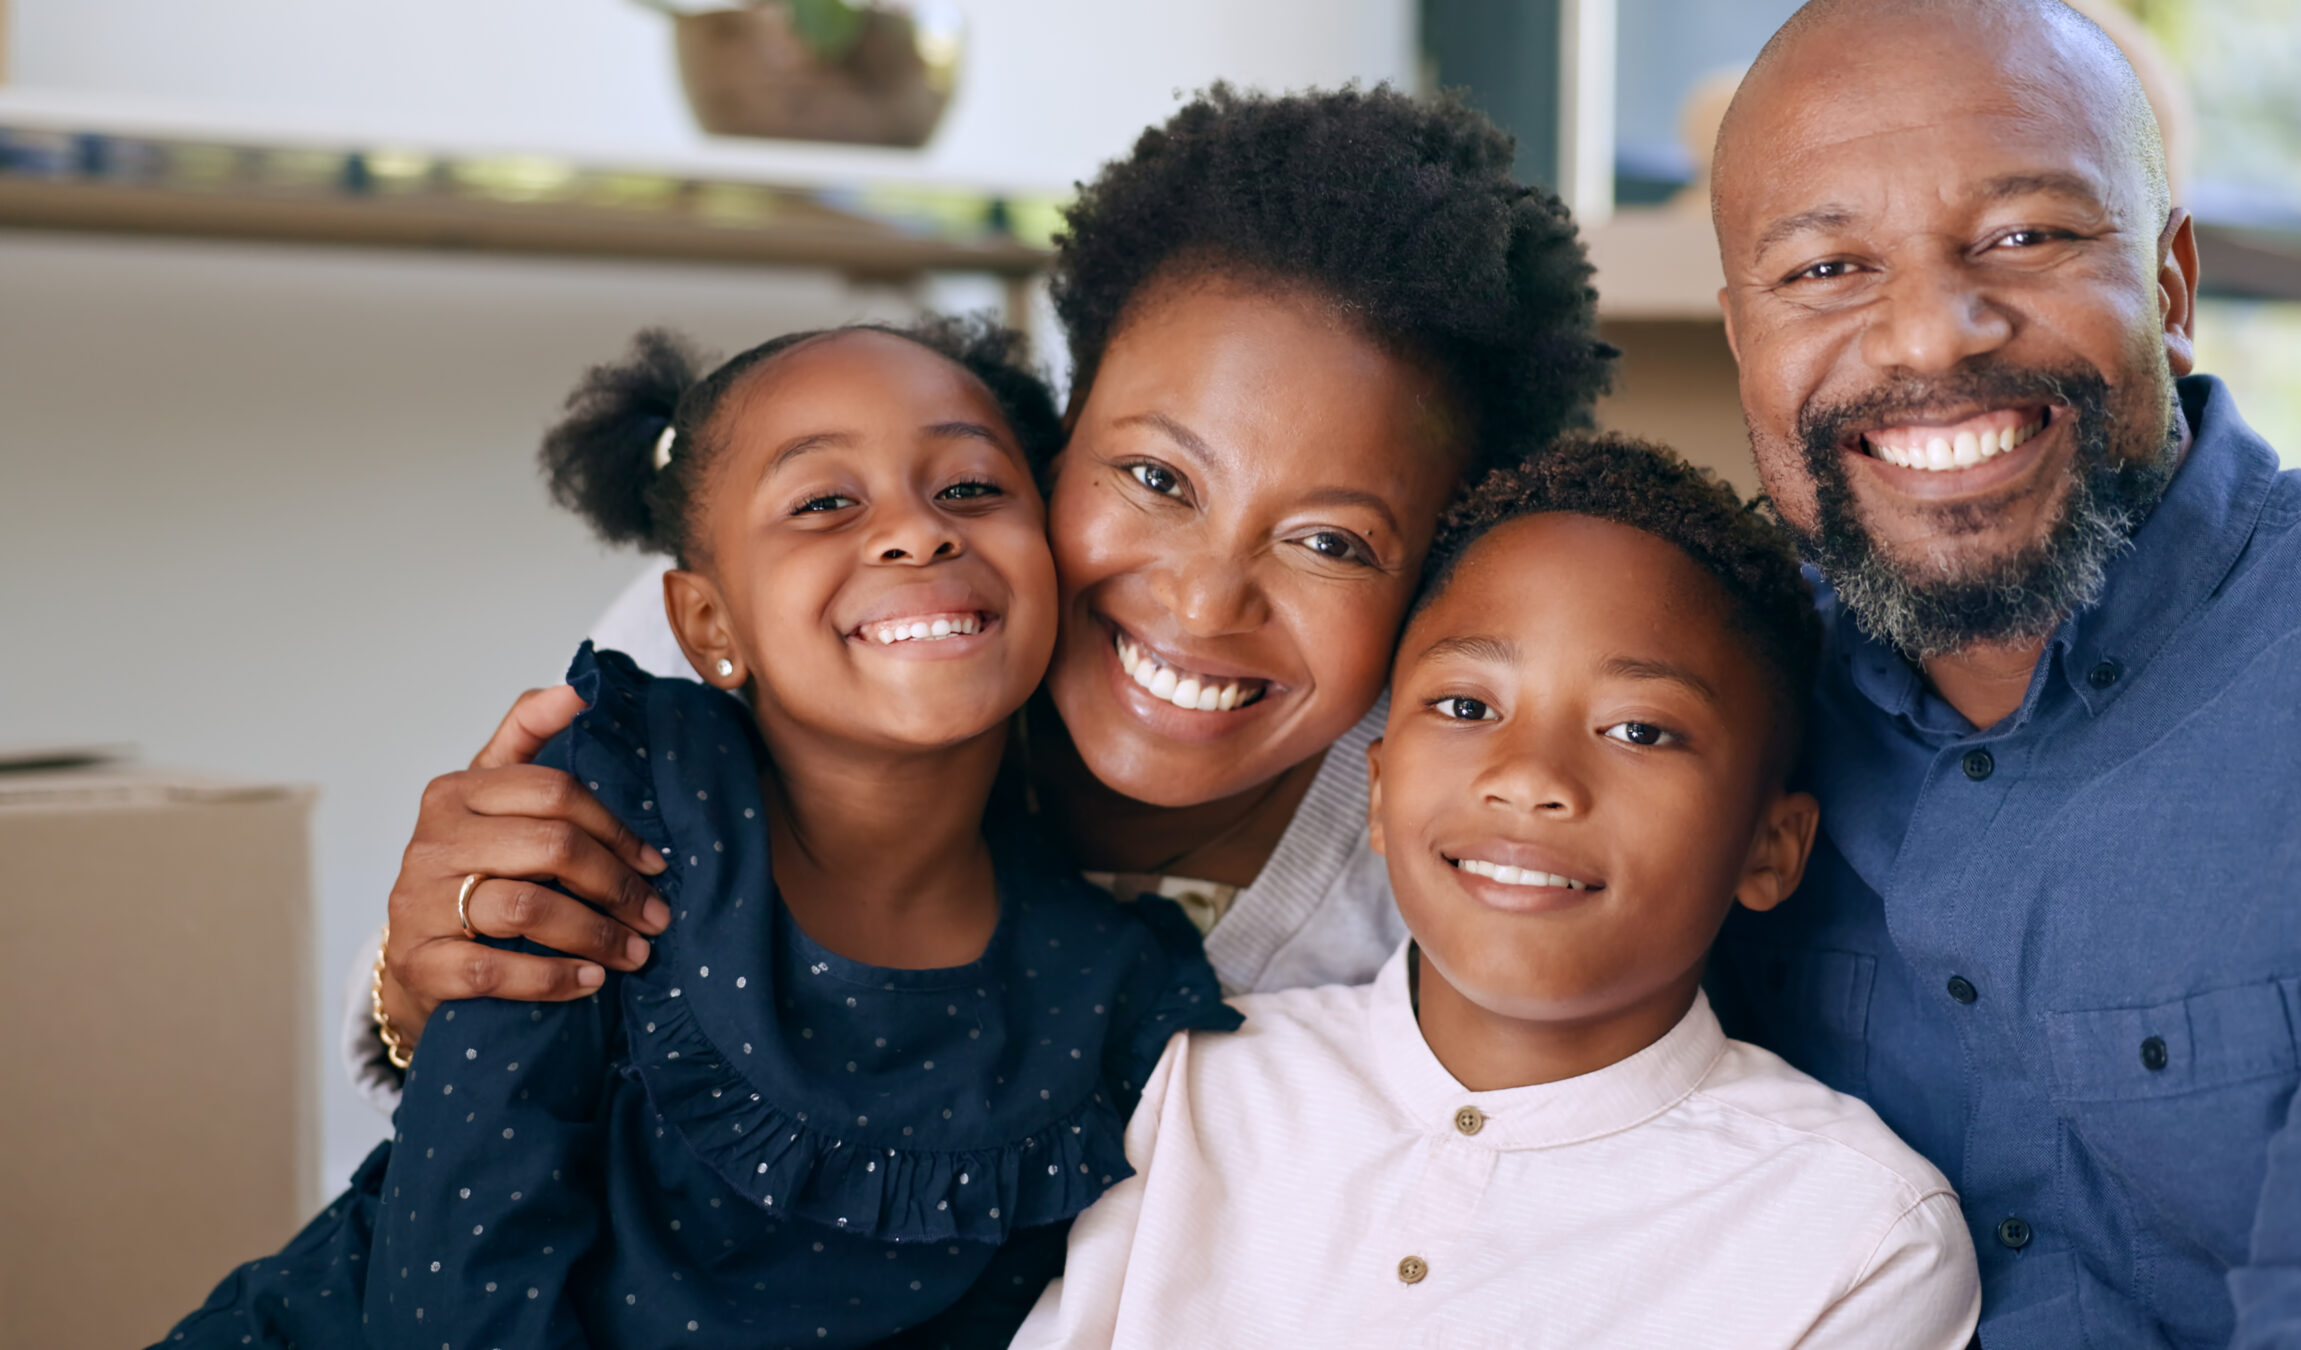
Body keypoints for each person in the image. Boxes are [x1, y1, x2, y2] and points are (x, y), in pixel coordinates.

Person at [344, 86, 1616, 1111]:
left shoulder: (1451, 853)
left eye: (1332, 543)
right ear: (1055, 440)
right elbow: (448, 1047)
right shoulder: (767, 644)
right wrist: (424, 982)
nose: (1203, 596)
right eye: (1157, 475)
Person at [1701, 1, 2301, 1345]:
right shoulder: (1705, 697)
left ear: (2169, 289)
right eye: (1826, 269)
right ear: (1745, 337)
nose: (1932, 336)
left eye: (2025, 237)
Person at [159, 316, 1240, 1349]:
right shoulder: (613, 801)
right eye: (824, 502)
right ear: (708, 628)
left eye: (968, 486)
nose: (918, 528)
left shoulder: (1117, 987)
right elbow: (461, 1259)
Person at [1014, 436, 1979, 1349]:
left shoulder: (1857, 1232)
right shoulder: (1187, 1084)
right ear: (1381, 790)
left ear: (1771, 847)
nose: (1530, 777)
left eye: (1641, 730)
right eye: (1468, 706)